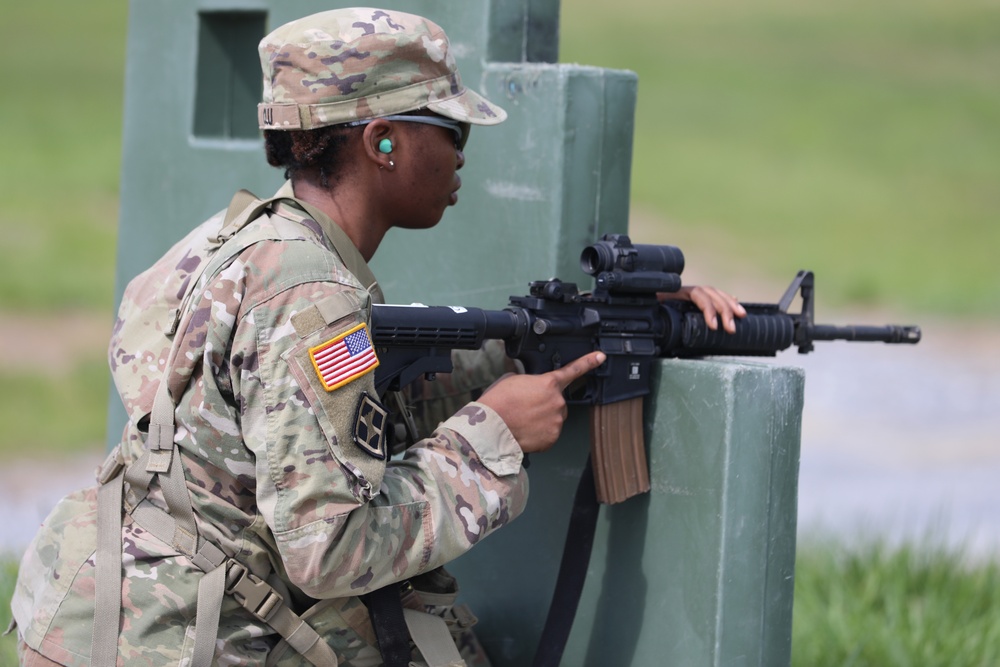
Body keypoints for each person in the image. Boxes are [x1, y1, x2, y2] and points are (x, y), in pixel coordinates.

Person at [10, 8, 744, 667]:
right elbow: (328, 549)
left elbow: (222, 387)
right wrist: (491, 437)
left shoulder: (246, 235)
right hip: (166, 637)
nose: (462, 154)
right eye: (450, 131)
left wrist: (556, 335)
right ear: (382, 140)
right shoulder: (312, 294)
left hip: (105, 602)